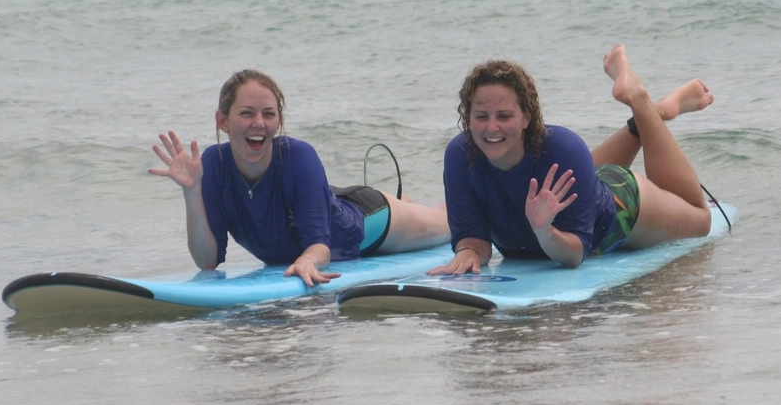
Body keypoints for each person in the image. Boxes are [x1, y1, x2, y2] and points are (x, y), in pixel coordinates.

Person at [429, 44, 714, 275]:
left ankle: (638, 98)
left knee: (701, 220)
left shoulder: (563, 149)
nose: (492, 127)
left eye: (504, 116)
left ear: (527, 117)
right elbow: (475, 240)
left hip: (619, 205)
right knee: (575, 173)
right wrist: (466, 252)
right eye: (481, 117)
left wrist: (544, 230)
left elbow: (576, 254)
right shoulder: (460, 155)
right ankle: (656, 114)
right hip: (581, 182)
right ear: (468, 118)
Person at [150, 69, 449, 286]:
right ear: (223, 121)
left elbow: (320, 247)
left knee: (446, 224)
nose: (259, 123)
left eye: (269, 114)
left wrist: (307, 261)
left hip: (367, 221)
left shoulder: (298, 155)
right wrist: (192, 193)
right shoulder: (212, 165)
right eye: (246, 113)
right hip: (330, 201)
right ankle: (404, 202)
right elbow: (207, 261)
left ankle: (403, 205)